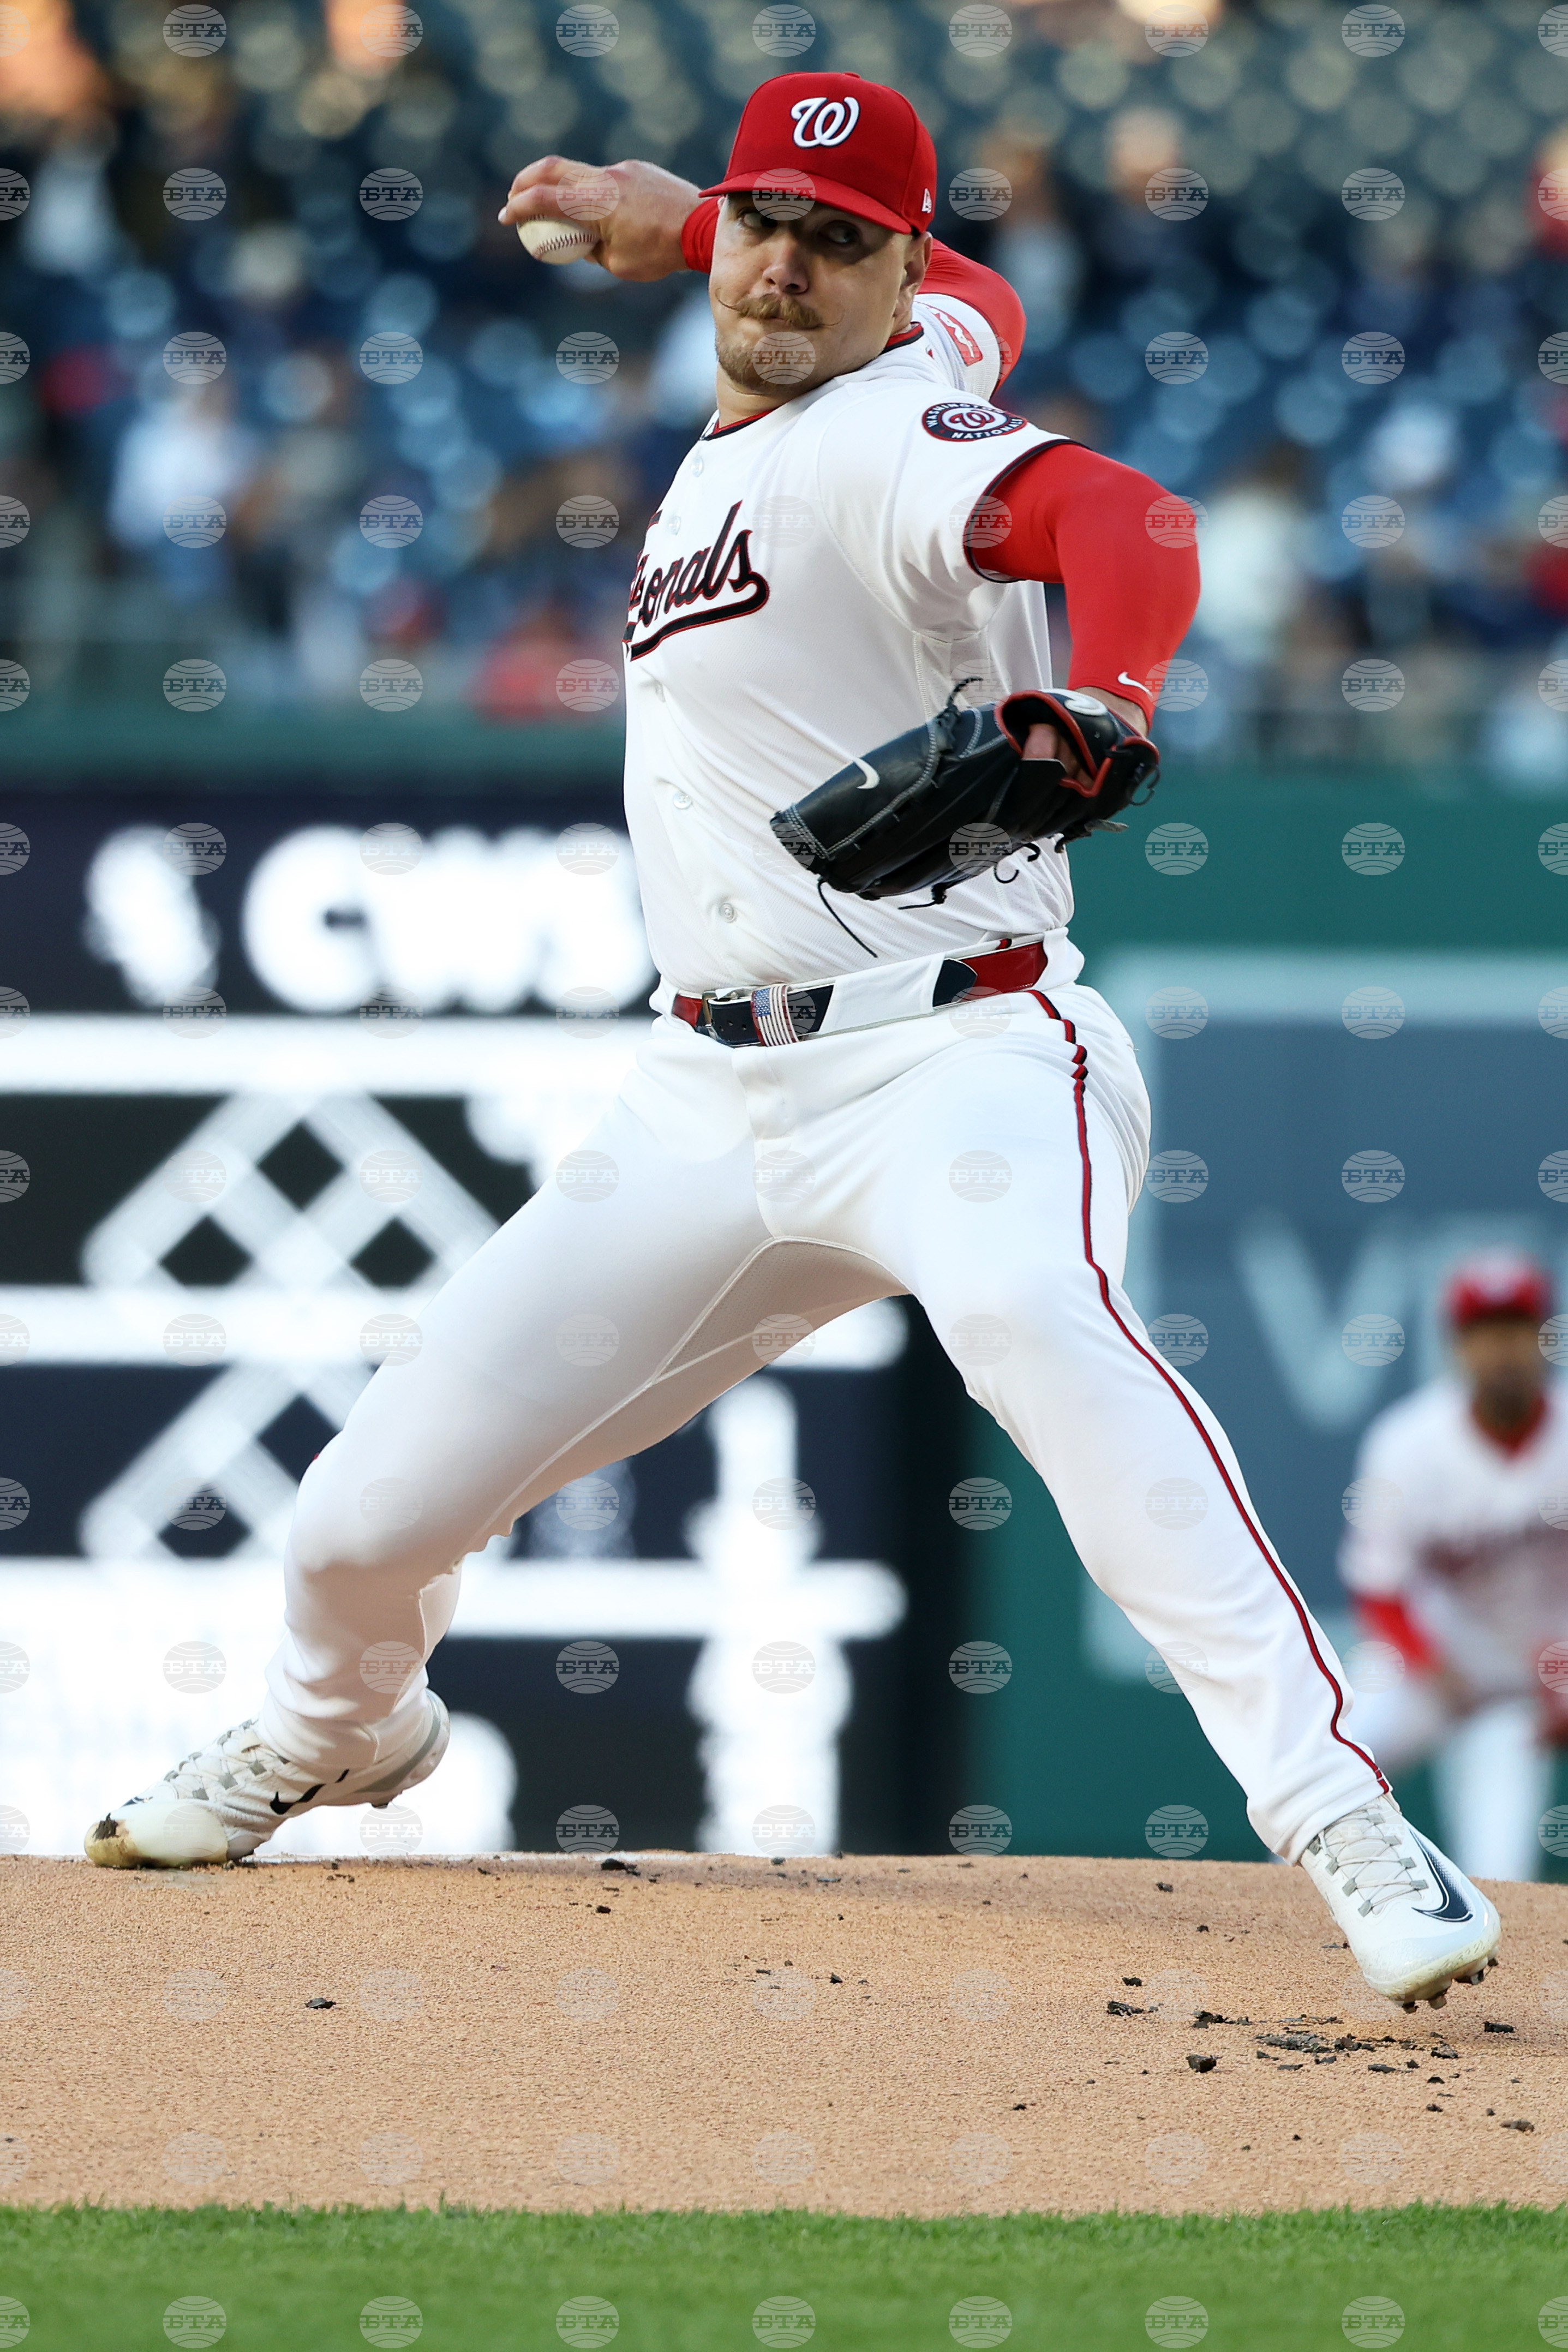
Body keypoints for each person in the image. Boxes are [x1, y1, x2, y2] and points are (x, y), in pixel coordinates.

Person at [86, 73, 1500, 2014]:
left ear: (895, 272)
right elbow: (954, 291)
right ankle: (341, 1728)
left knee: (1042, 1333)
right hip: (706, 1094)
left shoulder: (882, 434)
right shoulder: (904, 331)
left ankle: (1338, 1809)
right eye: (765, 221)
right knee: (351, 1526)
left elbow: (1126, 512)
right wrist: (677, 213)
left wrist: (1110, 695)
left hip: (953, 1058)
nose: (782, 266)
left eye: (836, 242)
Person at [1340, 1251, 1568, 1883]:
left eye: (1516, 1328)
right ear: (1458, 1345)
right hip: (1428, 1663)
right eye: (1484, 1332)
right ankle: (1258, 1914)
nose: (1502, 1349)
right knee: (1332, 1764)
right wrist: (1435, 1667)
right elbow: (1378, 1588)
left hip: (1530, 1682)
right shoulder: (1408, 1441)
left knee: (1502, 1872)